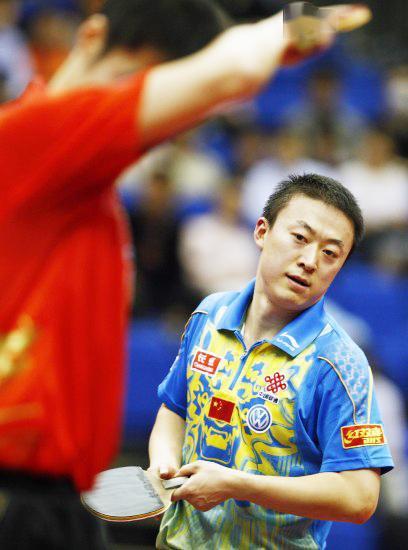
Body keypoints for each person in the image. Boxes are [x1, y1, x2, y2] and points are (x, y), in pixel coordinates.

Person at [0, 0, 371, 547]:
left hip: (52, 497)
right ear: (92, 37)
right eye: (141, 83)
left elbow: (359, 496)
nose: (153, 110)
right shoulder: (35, 135)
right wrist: (296, 20)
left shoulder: (78, 182)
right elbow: (233, 71)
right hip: (19, 488)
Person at [149, 174, 394, 550]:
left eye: (330, 253)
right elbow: (175, 408)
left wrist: (237, 485)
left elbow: (359, 497)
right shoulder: (209, 315)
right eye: (300, 238)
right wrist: (163, 466)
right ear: (262, 231)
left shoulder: (339, 363)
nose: (310, 261)